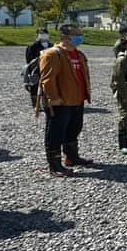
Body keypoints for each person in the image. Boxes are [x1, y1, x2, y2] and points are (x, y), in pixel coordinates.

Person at [39, 24, 93, 177]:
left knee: (74, 129)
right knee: (55, 133)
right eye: (76, 34)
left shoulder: (79, 54)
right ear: (65, 36)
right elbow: (47, 80)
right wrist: (53, 98)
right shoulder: (52, 54)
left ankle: (72, 157)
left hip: (77, 99)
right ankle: (54, 165)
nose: (80, 37)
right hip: (61, 102)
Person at [26, 28, 52, 108]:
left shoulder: (52, 45)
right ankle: (36, 104)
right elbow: (29, 60)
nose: (43, 35)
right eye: (41, 33)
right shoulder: (32, 47)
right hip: (36, 69)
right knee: (35, 87)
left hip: (50, 69)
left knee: (49, 86)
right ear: (37, 35)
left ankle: (48, 104)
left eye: (45, 33)